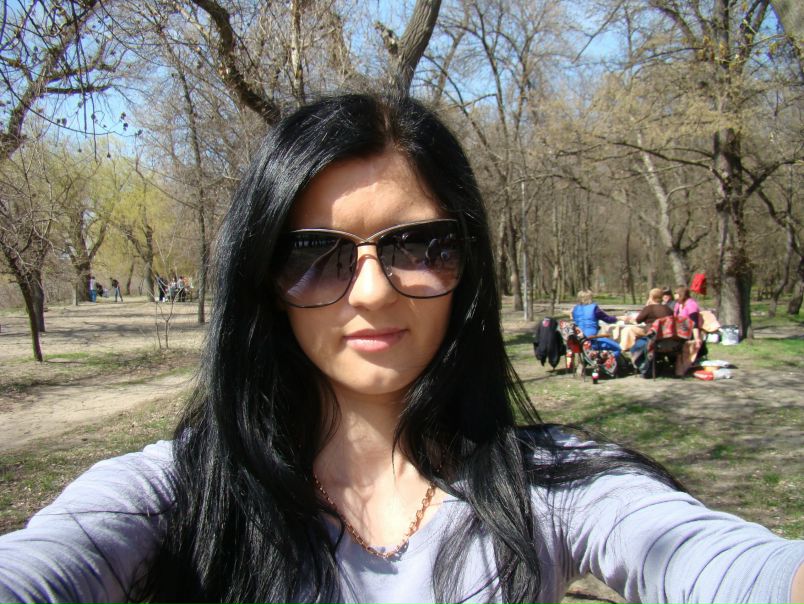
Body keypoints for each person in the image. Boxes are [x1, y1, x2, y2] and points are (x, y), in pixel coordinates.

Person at [0, 93, 801, 604]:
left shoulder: (552, 488)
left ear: (466, 268)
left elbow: (716, 563)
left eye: (417, 246)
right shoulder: (178, 492)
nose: (373, 291)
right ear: (263, 281)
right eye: (314, 253)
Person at [570, 289, 622, 358]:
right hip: (591, 341)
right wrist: (619, 318)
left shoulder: (575, 309)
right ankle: (608, 360)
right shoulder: (594, 308)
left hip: (578, 341)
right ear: (590, 297)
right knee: (617, 348)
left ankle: (599, 358)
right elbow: (608, 319)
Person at [673, 284, 704, 376]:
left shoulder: (691, 305)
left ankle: (682, 368)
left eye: (676, 293)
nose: (674, 295)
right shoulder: (677, 305)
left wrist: (697, 338)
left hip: (689, 332)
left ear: (681, 294)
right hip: (678, 331)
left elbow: (695, 323)